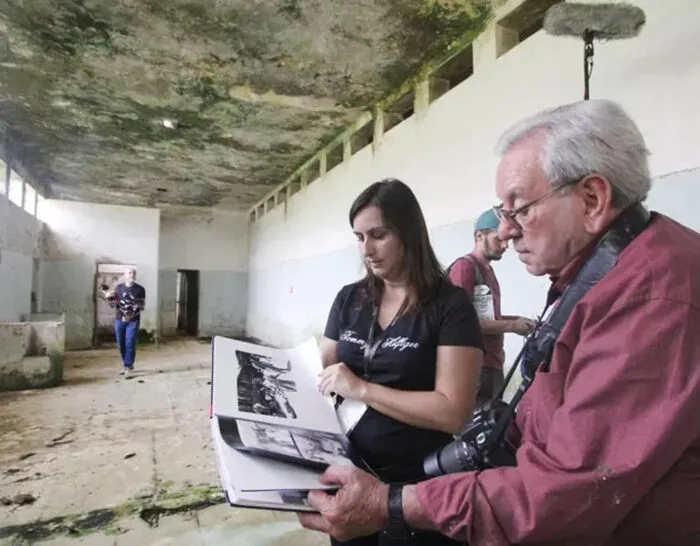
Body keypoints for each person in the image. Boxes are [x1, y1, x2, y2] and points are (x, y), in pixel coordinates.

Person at [298, 99, 700, 545]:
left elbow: (565, 492)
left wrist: (393, 505)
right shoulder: (593, 277)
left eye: (519, 208)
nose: (506, 231)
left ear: (593, 199)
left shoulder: (649, 296)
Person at [317, 178, 484, 545]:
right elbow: (324, 373)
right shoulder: (350, 299)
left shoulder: (450, 307)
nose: (367, 249)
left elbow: (452, 411)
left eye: (378, 235)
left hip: (415, 487)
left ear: (409, 233)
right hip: (349, 477)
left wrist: (362, 389)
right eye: (359, 237)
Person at [447, 208, 536, 404]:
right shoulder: (464, 267)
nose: (505, 245)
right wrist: (513, 326)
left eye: (507, 240)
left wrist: (521, 322)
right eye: (499, 239)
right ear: (480, 236)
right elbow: (462, 324)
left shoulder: (489, 272)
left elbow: (487, 319)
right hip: (474, 366)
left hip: (492, 365)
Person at [103, 267, 146, 376]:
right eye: (130, 273)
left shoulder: (140, 289)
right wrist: (108, 297)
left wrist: (131, 316)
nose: (132, 274)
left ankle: (128, 367)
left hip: (133, 321)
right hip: (119, 320)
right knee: (121, 344)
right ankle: (127, 364)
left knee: (130, 343)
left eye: (134, 273)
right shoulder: (119, 288)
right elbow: (114, 304)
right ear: (125, 275)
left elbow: (140, 306)